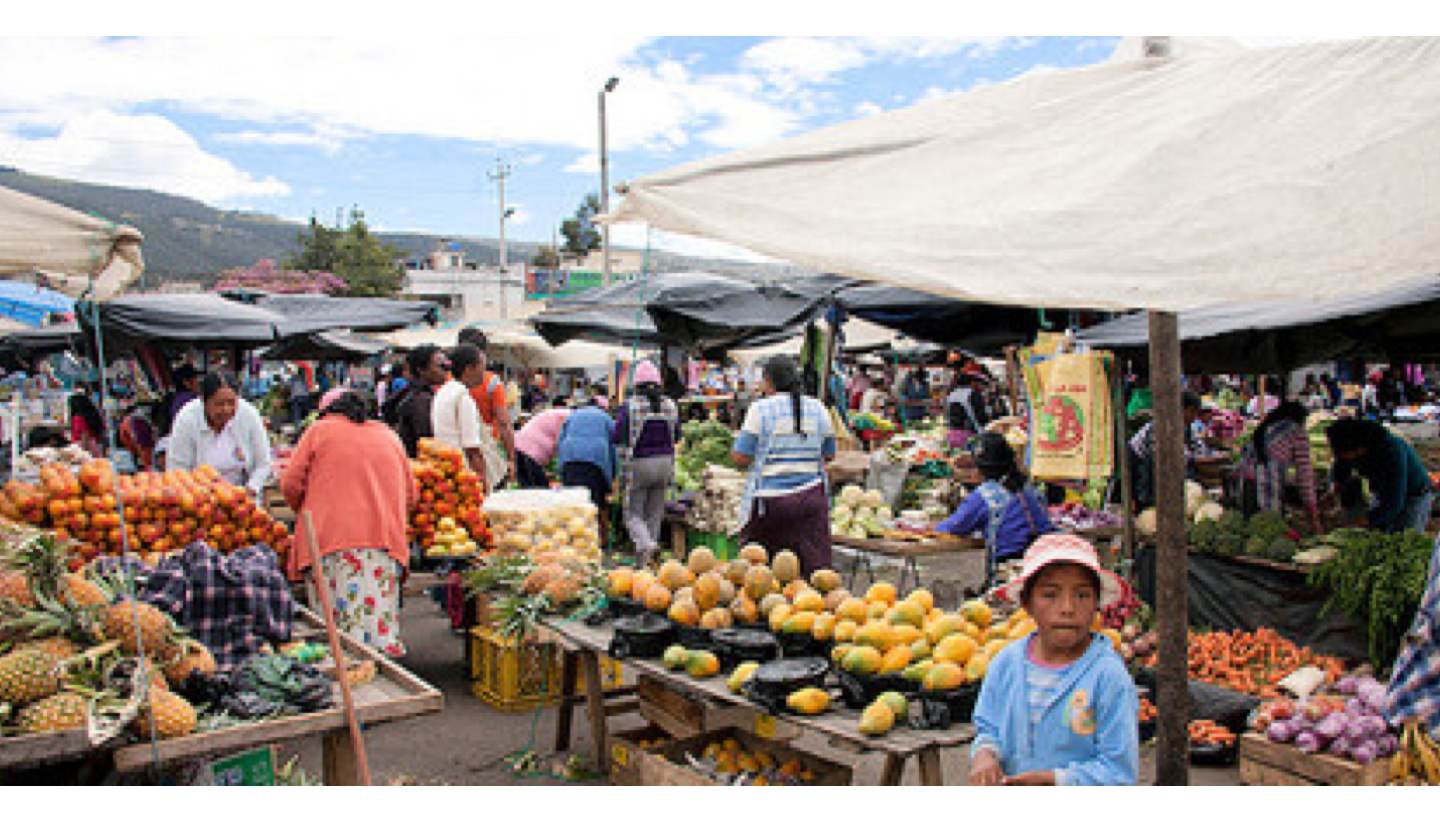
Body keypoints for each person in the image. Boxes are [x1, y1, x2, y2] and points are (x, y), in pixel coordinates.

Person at [968, 534, 1139, 786]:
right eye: (1050, 595)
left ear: (1097, 604)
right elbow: (988, 728)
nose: (1067, 608)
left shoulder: (1108, 677)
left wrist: (1057, 781)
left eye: (1082, 595)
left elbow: (1119, 771)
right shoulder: (1006, 664)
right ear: (1027, 603)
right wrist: (985, 755)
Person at [282, 390, 416, 657]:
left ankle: (351, 682)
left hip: (330, 541)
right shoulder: (389, 436)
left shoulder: (319, 431)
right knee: (377, 624)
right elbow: (411, 495)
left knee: (335, 630)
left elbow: (290, 485)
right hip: (383, 543)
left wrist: (312, 505)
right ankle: (379, 674)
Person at [731, 356, 836, 577]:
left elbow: (741, 457)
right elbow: (829, 455)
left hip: (771, 505)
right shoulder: (818, 408)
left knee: (762, 577)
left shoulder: (760, 410)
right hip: (811, 502)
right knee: (814, 576)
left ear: (768, 380)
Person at [937, 433, 1054, 588]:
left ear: (980, 468)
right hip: (1045, 563)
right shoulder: (1030, 490)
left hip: (1010, 571)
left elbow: (951, 528)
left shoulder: (984, 496)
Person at [615, 361, 681, 566]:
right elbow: (677, 436)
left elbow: (618, 436)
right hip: (665, 464)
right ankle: (646, 563)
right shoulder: (670, 405)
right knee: (654, 512)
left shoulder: (630, 405)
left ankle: (646, 546)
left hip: (639, 464)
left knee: (633, 512)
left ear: (637, 385)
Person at [167, 371, 272, 498]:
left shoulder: (249, 415)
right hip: (198, 500)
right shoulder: (187, 419)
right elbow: (177, 470)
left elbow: (263, 463)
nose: (226, 409)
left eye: (231, 403)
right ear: (204, 402)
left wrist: (250, 489)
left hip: (242, 500)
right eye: (219, 404)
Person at [1325, 418, 1434, 533]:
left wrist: (1367, 520)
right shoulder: (1348, 447)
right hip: (1382, 492)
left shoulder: (1392, 450)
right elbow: (1341, 468)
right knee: (1377, 533)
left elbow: (1395, 500)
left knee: (1403, 538)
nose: (1341, 456)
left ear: (1359, 449)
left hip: (1412, 496)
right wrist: (1335, 488)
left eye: (1344, 453)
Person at [1239, 401, 1322, 533]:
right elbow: (1304, 474)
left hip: (1246, 483)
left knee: (1251, 530)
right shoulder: (1296, 432)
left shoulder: (1266, 428)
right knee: (1270, 531)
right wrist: (1312, 513)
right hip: (1266, 483)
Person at [556, 386, 617, 542]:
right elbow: (614, 448)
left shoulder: (573, 415)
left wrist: (560, 468)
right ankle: (599, 539)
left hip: (570, 458)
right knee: (597, 502)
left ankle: (573, 538)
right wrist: (613, 477)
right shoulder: (606, 418)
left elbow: (560, 441)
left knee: (573, 501)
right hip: (596, 460)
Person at [457, 328, 517, 485]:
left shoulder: (447, 381)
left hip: (455, 452)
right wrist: (511, 459)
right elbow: (504, 422)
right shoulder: (491, 381)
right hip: (486, 450)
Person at [1129, 392, 1203, 510]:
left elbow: (1197, 449)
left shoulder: (1187, 428)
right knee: (1148, 492)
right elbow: (1157, 455)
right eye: (1192, 412)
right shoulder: (1161, 425)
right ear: (1182, 409)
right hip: (1140, 461)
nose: (1194, 417)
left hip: (1160, 461)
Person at [431, 344, 492, 489]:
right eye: (482, 368)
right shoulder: (463, 397)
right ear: (469, 369)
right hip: (461, 475)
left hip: (444, 470)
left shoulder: (444, 391)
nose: (484, 374)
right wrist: (482, 483)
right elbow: (472, 449)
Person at [395, 344, 446, 457]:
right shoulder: (421, 400)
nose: (446, 370)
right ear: (421, 370)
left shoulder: (414, 393)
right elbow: (427, 442)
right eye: (440, 366)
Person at [513, 399, 570, 489]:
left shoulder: (558, 413)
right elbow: (561, 442)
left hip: (520, 446)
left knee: (529, 489)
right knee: (539, 491)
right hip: (531, 450)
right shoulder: (567, 417)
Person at [945, 371, 989, 450]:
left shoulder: (951, 394)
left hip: (952, 434)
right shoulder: (973, 394)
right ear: (972, 383)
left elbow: (947, 413)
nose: (980, 386)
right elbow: (981, 416)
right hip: (970, 435)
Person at [117, 403, 157, 471]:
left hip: (139, 449)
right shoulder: (137, 419)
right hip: (144, 450)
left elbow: (124, 438)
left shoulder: (129, 420)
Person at [68, 390, 106, 457]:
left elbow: (84, 434)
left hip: (81, 447)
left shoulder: (78, 418)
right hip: (95, 446)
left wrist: (83, 452)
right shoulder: (94, 416)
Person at [165, 364, 200, 434]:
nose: (198, 383)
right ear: (186, 382)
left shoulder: (175, 399)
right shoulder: (191, 400)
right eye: (196, 379)